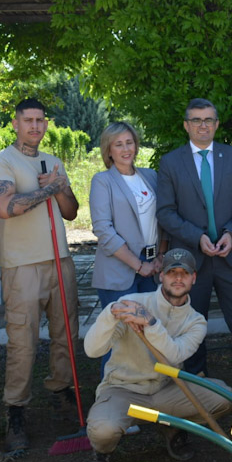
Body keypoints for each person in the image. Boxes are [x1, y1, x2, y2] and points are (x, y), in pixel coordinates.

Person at [83, 248, 232, 462]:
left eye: (184, 273)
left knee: (224, 397)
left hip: (167, 390)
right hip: (124, 389)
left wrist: (151, 324)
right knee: (103, 430)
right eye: (172, 272)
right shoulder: (130, 303)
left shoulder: (196, 322)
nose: (178, 278)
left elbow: (174, 355)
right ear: (161, 276)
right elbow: (92, 350)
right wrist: (110, 313)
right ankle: (103, 450)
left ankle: (170, 425)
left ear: (194, 278)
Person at [0, 98, 81, 450]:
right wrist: (48, 189)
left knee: (66, 332)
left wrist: (61, 189)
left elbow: (70, 212)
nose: (35, 126)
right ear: (15, 123)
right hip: (23, 264)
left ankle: (62, 390)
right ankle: (16, 409)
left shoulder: (54, 161)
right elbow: (6, 208)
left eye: (41, 120)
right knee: (22, 340)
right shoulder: (0, 162)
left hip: (60, 259)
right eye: (28, 120)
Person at [156, 98, 232, 394]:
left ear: (216, 124)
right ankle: (197, 390)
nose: (203, 126)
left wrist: (231, 233)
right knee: (190, 329)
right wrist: (196, 237)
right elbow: (165, 211)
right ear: (187, 125)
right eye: (197, 120)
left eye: (209, 120)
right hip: (191, 260)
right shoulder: (171, 162)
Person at [89, 121, 165, 372]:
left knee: (148, 335)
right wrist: (138, 264)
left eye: (129, 142)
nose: (125, 149)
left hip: (151, 268)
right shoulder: (102, 181)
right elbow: (103, 230)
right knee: (117, 338)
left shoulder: (151, 176)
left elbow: (163, 218)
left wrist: (159, 257)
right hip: (118, 270)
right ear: (108, 150)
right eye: (118, 144)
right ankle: (109, 398)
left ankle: (145, 393)